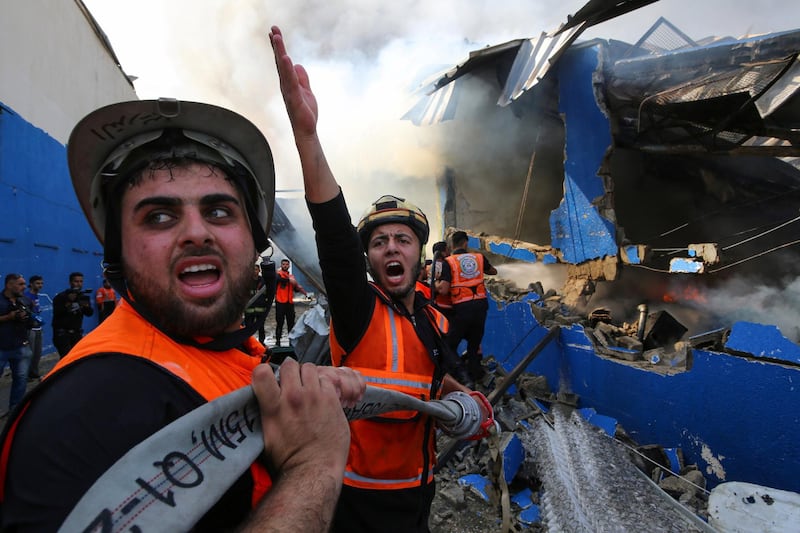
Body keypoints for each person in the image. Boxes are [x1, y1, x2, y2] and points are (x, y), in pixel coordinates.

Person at [0, 98, 365, 531]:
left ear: (254, 242)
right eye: (158, 216)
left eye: (217, 211)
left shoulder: (224, 351)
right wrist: (312, 467)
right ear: (119, 253)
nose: (195, 232)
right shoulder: (85, 413)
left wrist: (301, 396)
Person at [271, 26, 493, 532]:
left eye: (403, 240)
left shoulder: (436, 320)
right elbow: (332, 234)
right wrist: (307, 137)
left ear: (419, 253)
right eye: (379, 242)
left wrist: (468, 402)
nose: (391, 247)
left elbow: (436, 380)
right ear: (368, 259)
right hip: (352, 502)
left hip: (417, 494)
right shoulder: (359, 310)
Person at [438, 230, 497, 383]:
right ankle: (475, 376)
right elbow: (493, 271)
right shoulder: (478, 257)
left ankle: (459, 376)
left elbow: (444, 289)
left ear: (452, 245)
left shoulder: (449, 262)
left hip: (462, 309)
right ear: (465, 243)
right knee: (474, 344)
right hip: (481, 307)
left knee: (449, 345)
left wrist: (435, 285)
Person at [0, 274, 35, 412]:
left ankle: (15, 409)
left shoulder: (25, 301)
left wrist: (29, 319)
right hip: (1, 346)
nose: (24, 287)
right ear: (9, 285)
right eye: (20, 284)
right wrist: (8, 317)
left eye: (24, 284)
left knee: (21, 378)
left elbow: (30, 321)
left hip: (21, 346)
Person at [51, 272, 93, 357]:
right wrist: (69, 302)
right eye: (76, 281)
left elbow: (89, 313)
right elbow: (57, 313)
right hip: (63, 334)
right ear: (70, 282)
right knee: (66, 359)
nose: (79, 284)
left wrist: (85, 307)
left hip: (76, 334)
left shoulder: (83, 297)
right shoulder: (61, 297)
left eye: (81, 281)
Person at [274, 258, 307, 347]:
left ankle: (291, 342)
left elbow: (295, 289)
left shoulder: (291, 276)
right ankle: (277, 342)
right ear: (281, 265)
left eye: (287, 264)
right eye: (283, 264)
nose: (285, 266)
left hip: (289, 303)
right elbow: (279, 280)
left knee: (291, 323)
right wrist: (290, 281)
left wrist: (298, 288)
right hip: (280, 302)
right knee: (280, 323)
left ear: (289, 266)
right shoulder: (278, 275)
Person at [23, 274, 44, 380]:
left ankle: (34, 373)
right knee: (29, 354)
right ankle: (26, 375)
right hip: (30, 329)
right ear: (31, 284)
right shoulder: (26, 297)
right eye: (37, 283)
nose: (40, 285)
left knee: (37, 353)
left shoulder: (36, 296)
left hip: (38, 328)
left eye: (41, 283)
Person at [244, 263, 269, 344]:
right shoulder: (246, 281)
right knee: (248, 327)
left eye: (256, 269)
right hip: (249, 309)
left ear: (259, 271)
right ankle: (249, 342)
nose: (254, 271)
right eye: (253, 270)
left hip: (260, 307)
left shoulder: (263, 281)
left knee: (261, 326)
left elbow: (267, 293)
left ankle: (262, 342)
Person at [430, 241, 453, 319]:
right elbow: (441, 289)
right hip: (445, 305)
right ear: (443, 252)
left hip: (434, 305)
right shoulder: (445, 266)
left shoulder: (430, 267)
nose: (450, 252)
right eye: (448, 250)